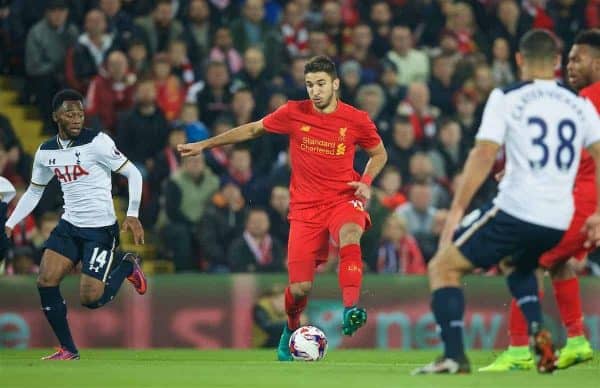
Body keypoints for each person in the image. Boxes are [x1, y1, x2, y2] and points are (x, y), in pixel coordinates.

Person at [412, 29, 600, 375]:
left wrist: (457, 209)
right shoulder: (579, 104)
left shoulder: (508, 96)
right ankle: (537, 330)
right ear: (557, 62)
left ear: (519, 60)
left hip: (518, 208)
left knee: (443, 267)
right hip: (559, 217)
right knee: (519, 265)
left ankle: (454, 356)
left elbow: (484, 153)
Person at [178, 56, 388, 360]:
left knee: (351, 233)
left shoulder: (356, 119)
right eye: (309, 85)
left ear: (335, 84)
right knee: (300, 288)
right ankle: (290, 329)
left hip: (344, 197)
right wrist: (204, 145)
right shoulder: (294, 112)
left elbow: (379, 154)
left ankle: (351, 307)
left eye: (320, 84)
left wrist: (366, 180)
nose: (314, 91)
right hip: (304, 209)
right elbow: (252, 130)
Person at [479, 29, 600, 372]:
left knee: (527, 263)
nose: (571, 66)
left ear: (597, 62)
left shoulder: (586, 100)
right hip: (583, 198)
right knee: (559, 264)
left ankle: (519, 349)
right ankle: (576, 340)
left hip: (582, 201)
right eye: (569, 58)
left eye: (578, 59)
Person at [4, 90, 146, 360]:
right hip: (69, 225)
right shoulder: (46, 151)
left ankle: (127, 264)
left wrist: (133, 213)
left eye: (80, 113)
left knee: (92, 299)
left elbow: (133, 172)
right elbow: (35, 191)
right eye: (70, 113)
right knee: (46, 280)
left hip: (101, 230)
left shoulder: (98, 142)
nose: (76, 118)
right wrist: (10, 224)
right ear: (55, 116)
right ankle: (68, 349)